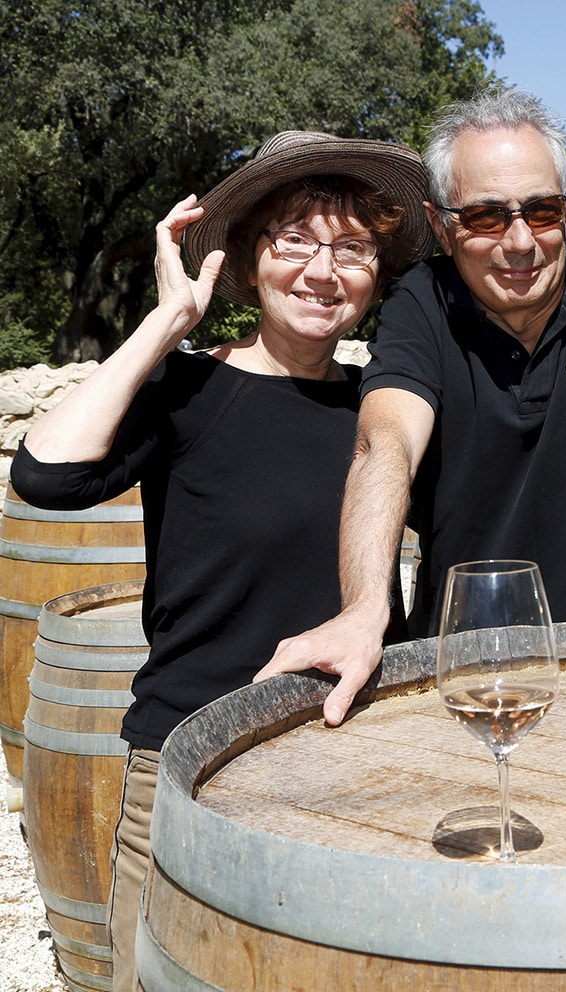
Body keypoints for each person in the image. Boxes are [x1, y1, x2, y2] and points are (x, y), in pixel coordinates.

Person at [10, 130, 433, 992]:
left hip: (354, 765)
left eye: (353, 248)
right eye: (295, 241)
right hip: (189, 767)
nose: (324, 271)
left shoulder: (385, 411)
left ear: (379, 274)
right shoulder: (187, 391)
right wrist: (167, 323)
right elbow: (45, 477)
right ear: (246, 258)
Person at [254, 89, 566, 713]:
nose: (520, 242)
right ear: (441, 225)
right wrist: (363, 613)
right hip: (461, 682)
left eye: (541, 211)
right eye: (487, 217)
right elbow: (386, 444)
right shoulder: (422, 300)